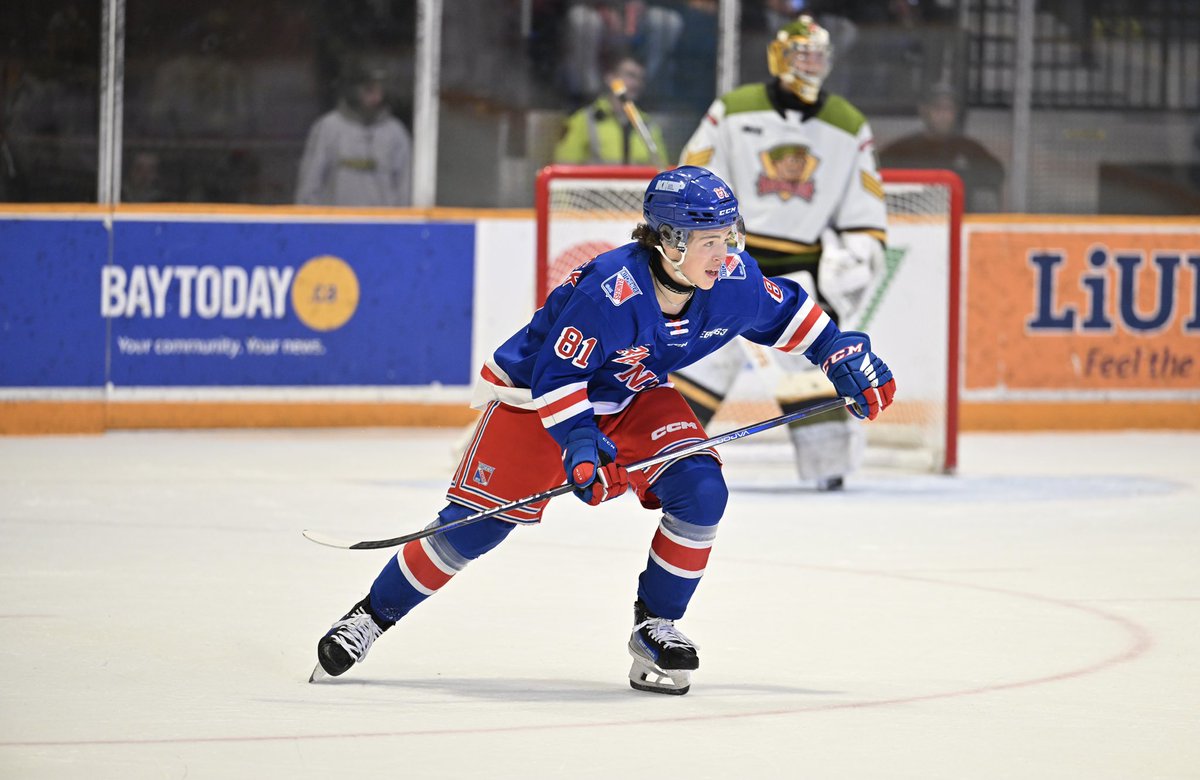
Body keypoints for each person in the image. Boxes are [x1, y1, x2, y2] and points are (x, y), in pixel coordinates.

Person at [310, 165, 896, 695]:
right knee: (473, 532)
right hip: (539, 399)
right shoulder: (610, 290)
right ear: (670, 242)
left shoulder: (732, 278)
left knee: (702, 489)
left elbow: (793, 315)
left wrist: (842, 354)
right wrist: (583, 445)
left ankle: (657, 627)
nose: (726, 253)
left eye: (729, 237)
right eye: (711, 241)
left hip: (632, 392)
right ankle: (370, 616)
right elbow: (557, 377)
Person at [674, 15, 888, 491]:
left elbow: (864, 208)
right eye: (802, 54)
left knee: (805, 366)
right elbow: (696, 173)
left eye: (818, 55)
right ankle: (661, 452)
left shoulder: (848, 124)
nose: (811, 64)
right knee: (704, 356)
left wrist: (857, 258)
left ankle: (828, 468)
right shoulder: (733, 109)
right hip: (727, 263)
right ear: (779, 56)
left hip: (800, 270)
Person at [295, 61, 412, 207]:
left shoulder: (395, 132)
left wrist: (399, 226)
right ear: (352, 89)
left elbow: (405, 189)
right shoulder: (328, 127)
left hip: (381, 226)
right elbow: (309, 184)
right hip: (335, 226)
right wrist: (313, 225)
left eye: (380, 90)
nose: (377, 98)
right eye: (369, 90)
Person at [880, 83, 1005, 212]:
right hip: (912, 223)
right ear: (924, 110)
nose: (943, 115)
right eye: (938, 108)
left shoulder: (969, 149)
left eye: (949, 109)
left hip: (958, 223)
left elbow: (996, 174)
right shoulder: (902, 149)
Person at [552, 53, 668, 167]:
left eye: (640, 79)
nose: (636, 84)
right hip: (594, 186)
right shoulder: (584, 120)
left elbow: (661, 169)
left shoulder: (648, 125)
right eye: (630, 75)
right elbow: (564, 169)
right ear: (610, 78)